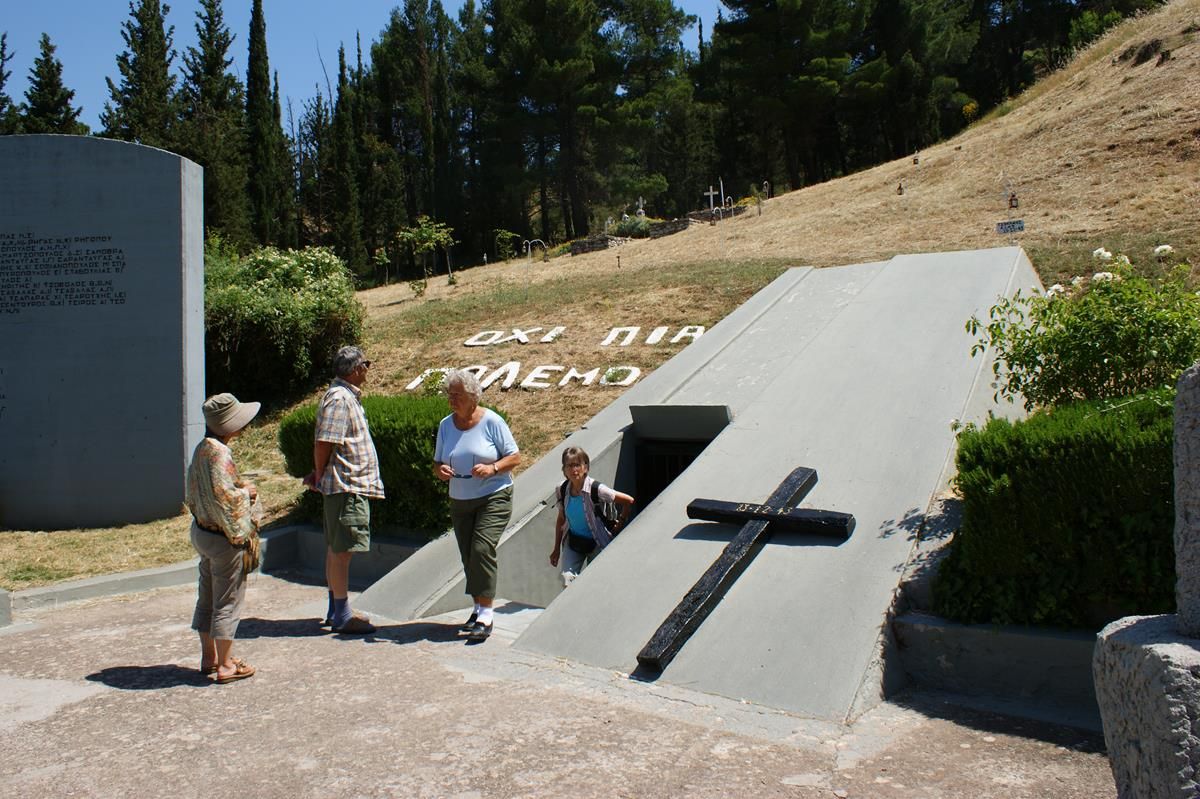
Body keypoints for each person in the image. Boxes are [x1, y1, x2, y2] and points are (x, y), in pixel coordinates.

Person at [433, 369, 521, 641]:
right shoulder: (445, 425)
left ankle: (486, 614)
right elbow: (437, 463)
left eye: (457, 395)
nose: (452, 400)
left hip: (494, 495)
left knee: (482, 549)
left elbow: (514, 457)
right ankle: (477, 608)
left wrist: (493, 468)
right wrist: (441, 470)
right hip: (460, 499)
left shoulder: (492, 421)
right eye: (450, 395)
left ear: (473, 396)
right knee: (468, 555)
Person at [303, 345, 385, 635]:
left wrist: (320, 473)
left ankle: (335, 610)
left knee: (337, 549)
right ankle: (342, 615)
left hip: (346, 485)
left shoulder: (345, 396)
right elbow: (325, 441)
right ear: (356, 369)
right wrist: (320, 474)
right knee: (342, 551)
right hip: (346, 485)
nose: (368, 370)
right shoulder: (340, 398)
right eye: (366, 364)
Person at [186, 392, 262, 684]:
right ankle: (226, 665)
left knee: (206, 596)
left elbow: (196, 491)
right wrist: (247, 493)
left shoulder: (201, 448)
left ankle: (209, 658)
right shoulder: (220, 453)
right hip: (222, 538)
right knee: (227, 601)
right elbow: (226, 497)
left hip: (202, 532)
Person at [548, 447, 634, 587]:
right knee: (567, 581)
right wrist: (556, 549)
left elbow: (628, 501)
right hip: (574, 542)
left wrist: (620, 523)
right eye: (569, 465)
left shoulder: (597, 489)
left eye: (577, 465)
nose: (574, 469)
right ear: (564, 470)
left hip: (597, 542)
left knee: (595, 583)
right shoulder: (562, 489)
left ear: (585, 467)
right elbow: (561, 519)